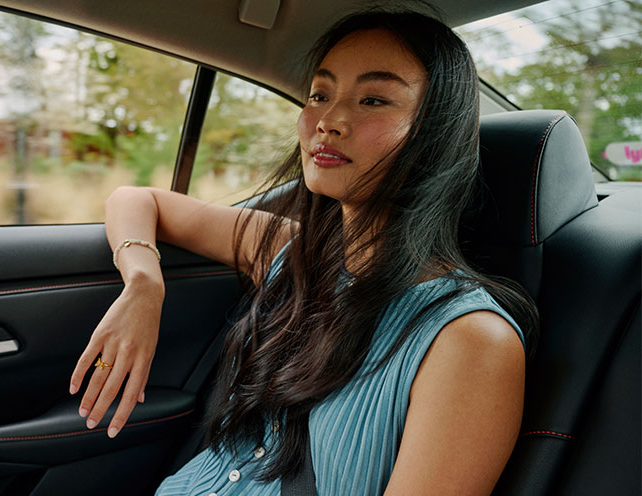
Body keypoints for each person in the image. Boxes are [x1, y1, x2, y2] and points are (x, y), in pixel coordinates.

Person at [69, 8, 538, 495]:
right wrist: (144, 283)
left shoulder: (471, 341)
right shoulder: (290, 252)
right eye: (320, 94)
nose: (329, 120)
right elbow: (135, 200)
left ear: (434, 132)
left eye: (374, 99)